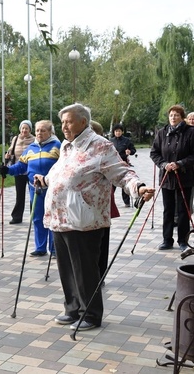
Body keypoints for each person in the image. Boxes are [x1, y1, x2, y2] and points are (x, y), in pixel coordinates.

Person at [35, 103, 153, 332]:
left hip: (84, 219)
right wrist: (45, 180)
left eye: (68, 121)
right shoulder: (68, 145)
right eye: (62, 122)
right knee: (66, 267)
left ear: (83, 122)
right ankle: (72, 308)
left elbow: (122, 172)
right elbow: (60, 174)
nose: (64, 126)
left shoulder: (100, 146)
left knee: (85, 269)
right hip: (61, 218)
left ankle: (90, 314)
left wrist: (137, 188)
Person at [0, 120, 60, 256]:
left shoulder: (57, 146)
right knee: (37, 217)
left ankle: (55, 249)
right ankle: (40, 247)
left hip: (52, 188)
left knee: (52, 217)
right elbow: (21, 166)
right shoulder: (31, 148)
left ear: (50, 132)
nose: (39, 133)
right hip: (35, 189)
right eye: (37, 130)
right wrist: (7, 170)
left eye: (43, 130)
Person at [150, 105, 194, 251]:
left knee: (183, 210)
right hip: (167, 177)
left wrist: (180, 164)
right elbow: (154, 153)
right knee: (168, 210)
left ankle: (183, 240)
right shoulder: (162, 133)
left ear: (182, 117)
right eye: (171, 115)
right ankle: (167, 239)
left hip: (184, 177)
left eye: (176, 115)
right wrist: (164, 164)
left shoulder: (190, 132)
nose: (173, 118)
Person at [91, 120, 120, 283]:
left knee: (102, 238)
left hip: (101, 201)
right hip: (83, 205)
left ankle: (100, 274)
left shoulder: (105, 149)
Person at [5, 120, 35, 224]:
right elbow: (11, 149)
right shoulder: (16, 138)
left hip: (31, 170)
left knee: (33, 194)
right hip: (18, 169)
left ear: (30, 130)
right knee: (19, 195)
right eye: (23, 128)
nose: (24, 130)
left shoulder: (34, 139)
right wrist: (8, 154)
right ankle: (17, 217)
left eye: (26, 128)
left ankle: (34, 217)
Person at [110, 123, 137, 207]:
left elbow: (133, 150)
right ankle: (110, 202)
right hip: (113, 165)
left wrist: (130, 152)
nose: (117, 132)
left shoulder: (127, 141)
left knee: (124, 183)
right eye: (116, 131)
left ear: (122, 132)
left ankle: (127, 202)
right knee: (112, 184)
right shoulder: (110, 141)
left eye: (119, 131)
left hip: (124, 164)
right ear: (114, 132)